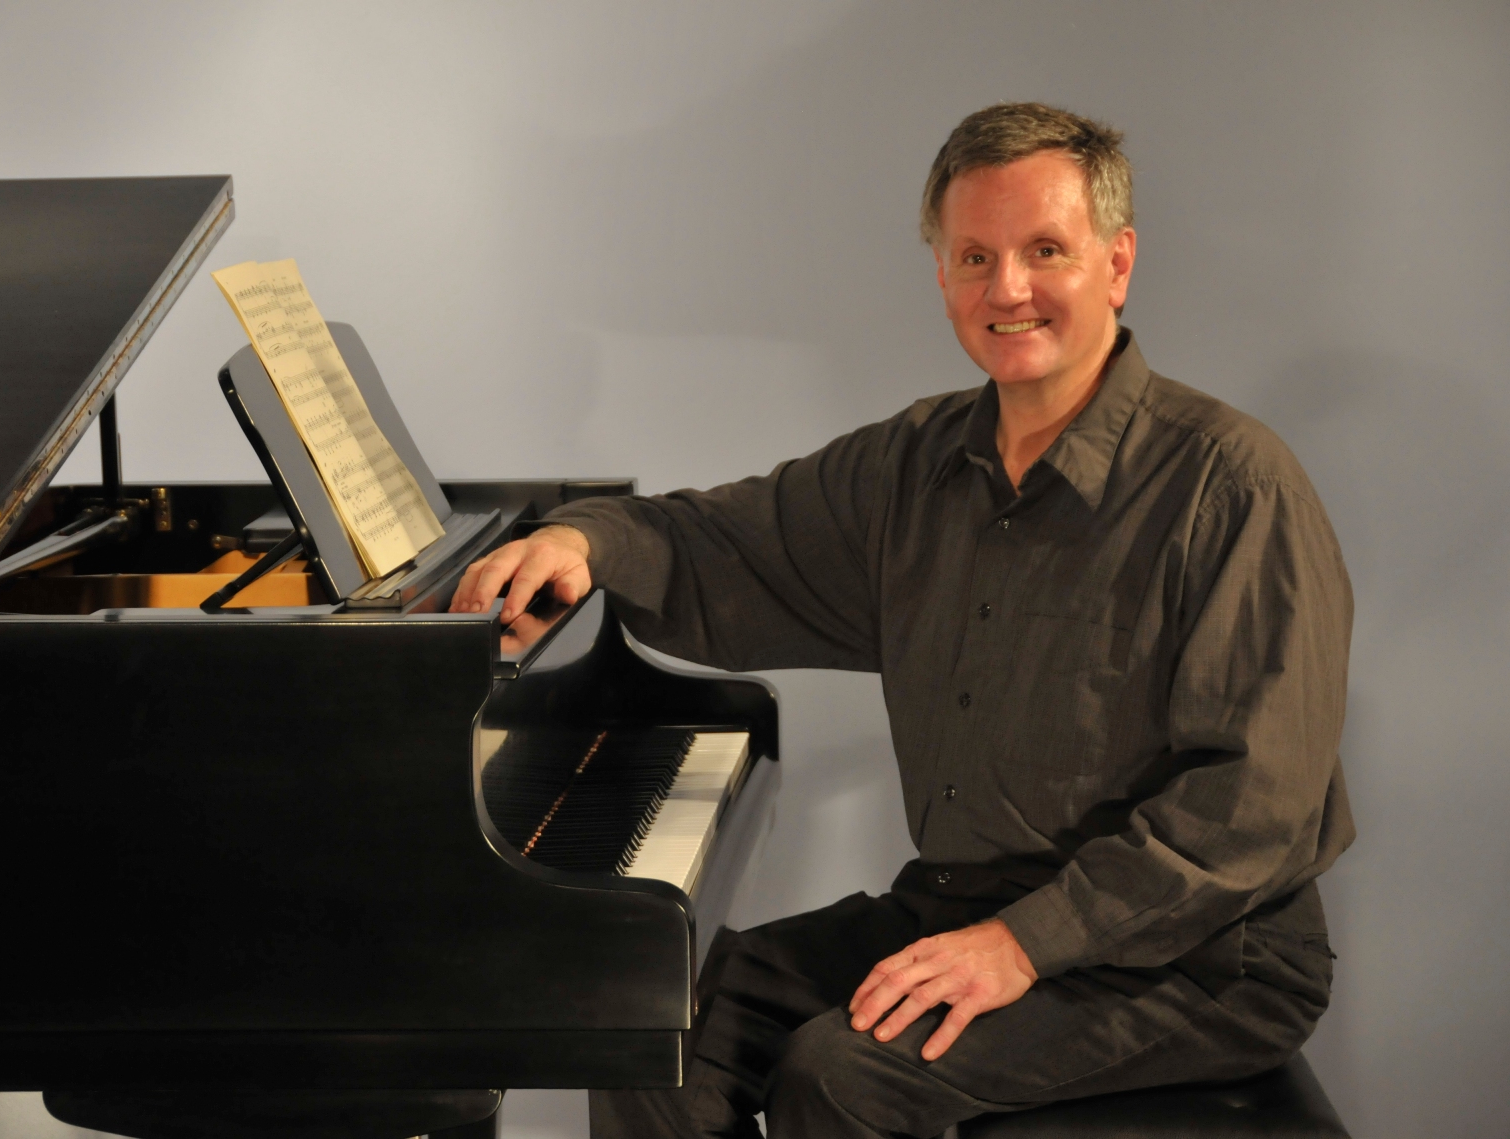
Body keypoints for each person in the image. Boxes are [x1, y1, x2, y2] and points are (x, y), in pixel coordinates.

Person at [450, 102, 1354, 1139]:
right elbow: (724, 542)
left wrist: (1022, 942)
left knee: (838, 1074)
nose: (1004, 288)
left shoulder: (1231, 484)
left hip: (1200, 952)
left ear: (1116, 262)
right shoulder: (911, 466)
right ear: (940, 276)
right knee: (653, 1013)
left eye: (1043, 250)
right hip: (963, 902)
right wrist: (585, 543)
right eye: (973, 255)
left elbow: (1249, 813)